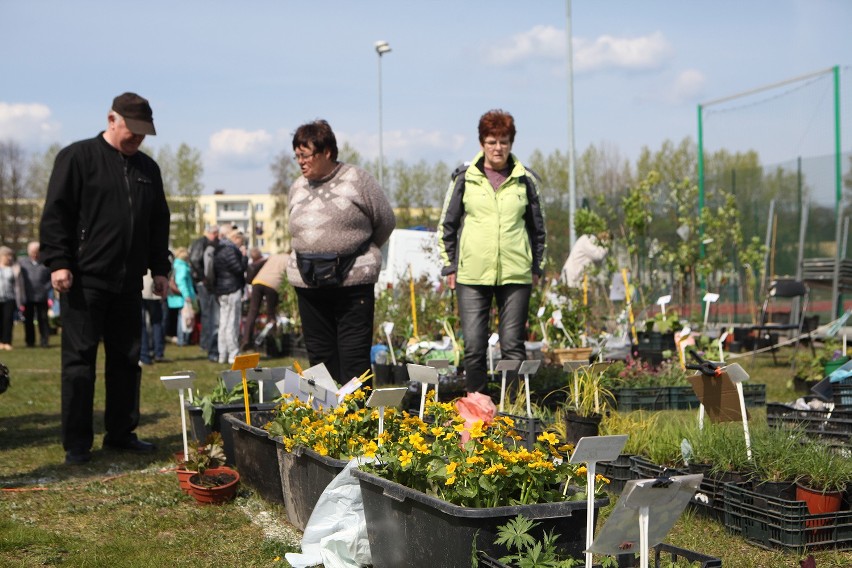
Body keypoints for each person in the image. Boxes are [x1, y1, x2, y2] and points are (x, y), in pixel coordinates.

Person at [39, 92, 170, 465]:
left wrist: (159, 268)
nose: (138, 139)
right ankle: (77, 443)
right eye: (133, 131)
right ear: (112, 119)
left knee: (127, 361)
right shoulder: (77, 158)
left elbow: (158, 222)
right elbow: (56, 214)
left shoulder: (148, 170)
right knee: (79, 363)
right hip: (84, 280)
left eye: (144, 134)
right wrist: (59, 261)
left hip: (128, 282)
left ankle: (121, 432)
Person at [438, 109, 546, 395]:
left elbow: (539, 229)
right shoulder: (464, 178)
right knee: (474, 346)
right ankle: (477, 407)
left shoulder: (526, 180)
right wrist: (450, 267)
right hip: (472, 275)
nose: (498, 148)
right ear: (482, 143)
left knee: (513, 346)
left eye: (504, 141)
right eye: (491, 141)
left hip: (516, 274)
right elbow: (446, 226)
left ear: (511, 143)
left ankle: (511, 409)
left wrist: (536, 267)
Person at [286, 119, 395, 383]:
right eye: (297, 155)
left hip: (352, 282)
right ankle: (325, 421)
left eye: (305, 154)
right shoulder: (297, 187)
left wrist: (356, 255)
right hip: (308, 283)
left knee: (354, 358)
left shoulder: (358, 180)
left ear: (327, 152)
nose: (300, 161)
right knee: (319, 357)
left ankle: (355, 419)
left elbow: (386, 221)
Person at [213, 228, 247, 364]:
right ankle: (233, 354)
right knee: (232, 323)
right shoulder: (232, 250)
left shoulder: (219, 249)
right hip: (232, 288)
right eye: (242, 242)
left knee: (223, 323)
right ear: (236, 239)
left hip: (221, 289)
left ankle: (222, 354)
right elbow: (239, 268)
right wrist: (244, 256)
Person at [241, 252, 287, 351]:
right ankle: (272, 341)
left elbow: (258, 264)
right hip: (273, 284)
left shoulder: (273, 256)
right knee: (271, 313)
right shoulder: (289, 259)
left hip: (258, 282)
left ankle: (246, 340)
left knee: (252, 312)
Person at [190, 225, 220, 362]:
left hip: (203, 282)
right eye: (215, 234)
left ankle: (205, 343)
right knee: (207, 313)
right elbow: (195, 260)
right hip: (203, 283)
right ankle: (206, 343)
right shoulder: (201, 243)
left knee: (207, 314)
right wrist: (204, 278)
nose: (217, 237)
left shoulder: (203, 243)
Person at [19, 241, 53, 348]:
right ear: (29, 252)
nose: (35, 254)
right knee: (28, 320)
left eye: (37, 252)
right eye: (33, 252)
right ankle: (30, 341)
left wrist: (46, 289)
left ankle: (44, 341)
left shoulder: (45, 263)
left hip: (42, 296)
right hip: (27, 296)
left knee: (43, 319)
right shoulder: (22, 263)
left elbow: (51, 278)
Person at [166, 247, 197, 346]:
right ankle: (183, 339)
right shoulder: (183, 267)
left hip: (175, 296)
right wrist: (187, 295)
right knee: (184, 318)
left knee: (181, 317)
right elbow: (182, 282)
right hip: (182, 296)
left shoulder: (175, 265)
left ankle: (181, 338)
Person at [0, 246, 24, 351]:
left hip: (10, 298)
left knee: (8, 320)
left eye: (10, 255)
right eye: (7, 255)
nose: (9, 258)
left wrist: (21, 299)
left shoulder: (15, 268)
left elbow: (19, 286)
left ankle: (7, 341)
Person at [140, 270, 165, 365]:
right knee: (156, 323)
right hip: (154, 288)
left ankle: (144, 355)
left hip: (143, 289)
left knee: (143, 324)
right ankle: (158, 353)